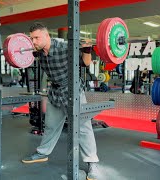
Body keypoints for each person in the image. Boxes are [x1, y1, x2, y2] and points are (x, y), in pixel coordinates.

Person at [21, 23, 100, 180]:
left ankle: (92, 163)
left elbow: (85, 63)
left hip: (73, 90)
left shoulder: (64, 47)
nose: (33, 41)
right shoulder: (37, 52)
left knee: (83, 127)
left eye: (36, 37)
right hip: (55, 91)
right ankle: (42, 153)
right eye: (31, 38)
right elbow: (19, 59)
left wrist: (86, 49)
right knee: (51, 125)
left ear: (46, 36)